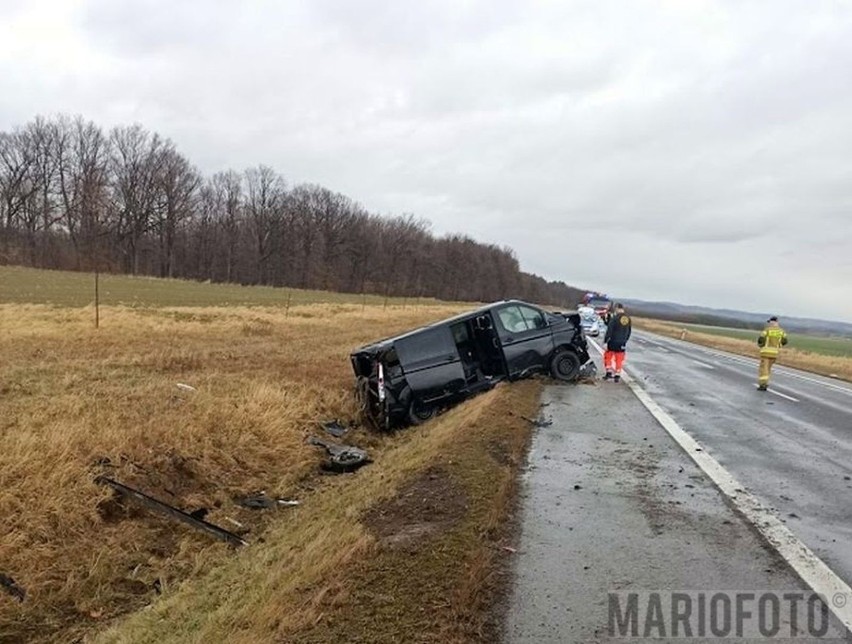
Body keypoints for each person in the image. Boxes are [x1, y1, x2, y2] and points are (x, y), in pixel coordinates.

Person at [757, 316, 788, 391]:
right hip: (774, 353)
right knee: (768, 369)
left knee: (763, 369)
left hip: (765, 352)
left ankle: (763, 384)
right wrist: (779, 345)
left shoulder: (767, 330)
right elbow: (785, 341)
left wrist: (761, 345)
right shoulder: (781, 331)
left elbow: (761, 339)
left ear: (771, 322)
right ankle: (765, 382)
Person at [603, 303, 632, 382]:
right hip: (622, 342)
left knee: (608, 356)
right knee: (619, 359)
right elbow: (629, 331)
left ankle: (608, 372)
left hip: (613, 341)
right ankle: (617, 374)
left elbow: (610, 330)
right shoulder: (628, 319)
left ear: (617, 308)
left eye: (615, 309)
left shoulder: (615, 318)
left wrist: (606, 341)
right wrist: (625, 340)